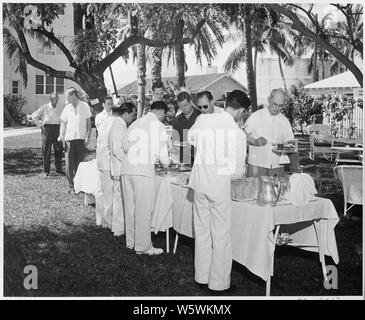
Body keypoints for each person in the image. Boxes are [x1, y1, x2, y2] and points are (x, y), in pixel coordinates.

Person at [187, 97, 246, 292]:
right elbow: (238, 171)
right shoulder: (237, 132)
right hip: (218, 186)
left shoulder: (204, 120)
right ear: (241, 110)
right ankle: (219, 283)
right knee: (221, 235)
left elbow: (190, 138)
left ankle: (201, 276)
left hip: (200, 183)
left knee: (202, 232)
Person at [121, 101, 170, 255]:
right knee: (143, 210)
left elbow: (125, 146)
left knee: (130, 208)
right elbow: (163, 156)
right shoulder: (160, 127)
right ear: (161, 112)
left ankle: (131, 241)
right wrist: (168, 164)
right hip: (142, 171)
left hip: (127, 168)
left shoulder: (135, 123)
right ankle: (143, 247)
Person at [244, 89, 295, 178]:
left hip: (277, 165)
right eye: (275, 104)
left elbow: (291, 144)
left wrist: (285, 148)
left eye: (280, 106)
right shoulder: (256, 116)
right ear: (269, 100)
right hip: (257, 164)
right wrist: (255, 141)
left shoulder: (284, 121)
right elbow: (242, 135)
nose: (277, 108)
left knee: (276, 191)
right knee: (255, 190)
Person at [108, 102, 137, 236]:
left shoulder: (119, 124)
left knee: (119, 199)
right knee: (120, 199)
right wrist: (129, 161)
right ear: (125, 114)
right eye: (132, 115)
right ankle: (119, 229)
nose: (133, 117)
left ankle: (119, 228)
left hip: (117, 167)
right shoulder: (120, 125)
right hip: (120, 168)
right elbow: (117, 150)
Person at [58, 88, 92, 191]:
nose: (66, 98)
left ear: (73, 95)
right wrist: (61, 135)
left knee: (80, 163)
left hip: (81, 139)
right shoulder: (67, 108)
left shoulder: (85, 106)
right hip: (69, 140)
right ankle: (72, 185)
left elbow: (89, 124)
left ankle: (79, 185)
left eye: (67, 96)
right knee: (69, 164)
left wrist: (87, 137)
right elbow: (63, 123)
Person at [29, 92, 64, 177]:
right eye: (53, 99)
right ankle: (46, 171)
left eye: (56, 98)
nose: (55, 100)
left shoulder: (61, 107)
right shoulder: (45, 107)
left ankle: (59, 169)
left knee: (58, 149)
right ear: (50, 99)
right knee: (46, 150)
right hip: (47, 129)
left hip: (57, 129)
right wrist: (40, 125)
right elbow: (34, 116)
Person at [95, 98, 117, 229]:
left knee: (106, 190)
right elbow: (105, 134)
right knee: (104, 191)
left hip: (107, 158)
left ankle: (105, 219)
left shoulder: (113, 117)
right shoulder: (100, 117)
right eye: (107, 104)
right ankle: (105, 221)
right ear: (103, 104)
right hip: (104, 157)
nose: (110, 106)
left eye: (111, 104)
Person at [172, 91, 201, 164]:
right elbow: (174, 140)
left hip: (199, 160)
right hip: (183, 161)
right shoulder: (176, 120)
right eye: (181, 107)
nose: (183, 108)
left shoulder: (201, 117)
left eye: (185, 105)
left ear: (191, 102)